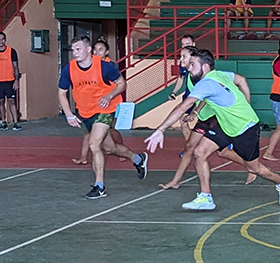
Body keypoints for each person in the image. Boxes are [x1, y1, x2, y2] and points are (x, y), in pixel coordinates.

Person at [145, 49, 280, 211]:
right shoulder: (219, 74)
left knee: (254, 168)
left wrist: (160, 129)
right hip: (225, 124)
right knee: (200, 152)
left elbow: (182, 108)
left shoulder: (206, 83)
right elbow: (240, 80)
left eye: (193, 65)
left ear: (205, 67)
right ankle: (205, 197)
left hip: (245, 127)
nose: (189, 67)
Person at [59, 36, 148, 199]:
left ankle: (99, 186)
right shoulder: (69, 69)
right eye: (73, 50)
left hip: (105, 110)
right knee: (110, 148)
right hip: (85, 113)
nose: (75, 53)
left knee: (94, 145)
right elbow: (62, 93)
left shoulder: (105, 67)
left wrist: (109, 96)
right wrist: (68, 114)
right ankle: (138, 158)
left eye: (78, 49)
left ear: (88, 50)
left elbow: (122, 84)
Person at [159, 46, 258, 190]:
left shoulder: (206, 76)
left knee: (201, 149)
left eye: (184, 57)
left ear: (195, 60)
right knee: (197, 149)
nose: (181, 60)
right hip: (204, 117)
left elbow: (209, 94)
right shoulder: (190, 75)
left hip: (212, 117)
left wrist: (196, 111)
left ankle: (252, 168)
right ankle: (176, 181)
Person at [72, 38, 129, 165]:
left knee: (111, 129)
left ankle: (121, 149)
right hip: (92, 107)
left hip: (110, 105)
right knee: (88, 132)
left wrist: (108, 96)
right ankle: (83, 156)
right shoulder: (85, 65)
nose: (97, 52)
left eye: (101, 50)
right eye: (95, 49)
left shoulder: (109, 66)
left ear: (107, 52)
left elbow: (119, 84)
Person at [0, 31, 21, 131]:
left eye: (3, 39)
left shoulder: (12, 51)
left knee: (12, 101)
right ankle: (3, 122)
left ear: (5, 40)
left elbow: (16, 67)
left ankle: (16, 122)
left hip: (10, 81)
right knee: (1, 101)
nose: (1, 41)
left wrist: (16, 81)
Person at [168, 35, 199, 142]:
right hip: (189, 96)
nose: (185, 46)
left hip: (202, 97)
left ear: (194, 44)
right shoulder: (183, 62)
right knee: (183, 121)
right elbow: (180, 79)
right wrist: (174, 92)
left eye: (188, 44)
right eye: (183, 44)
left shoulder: (201, 62)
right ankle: (190, 147)